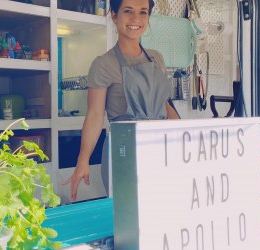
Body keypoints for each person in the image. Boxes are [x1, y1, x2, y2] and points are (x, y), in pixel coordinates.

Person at [62, 0, 180, 201]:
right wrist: (83, 160)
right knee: (128, 215)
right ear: (114, 16)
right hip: (125, 151)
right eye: (128, 11)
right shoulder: (103, 64)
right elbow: (95, 115)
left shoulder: (156, 58)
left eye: (143, 12)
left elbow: (165, 105)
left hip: (161, 148)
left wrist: (185, 139)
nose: (136, 19)